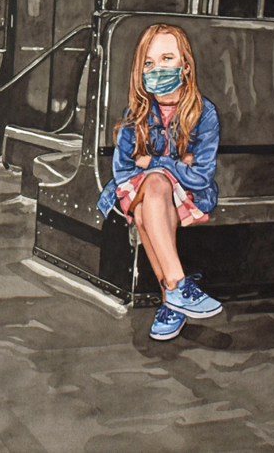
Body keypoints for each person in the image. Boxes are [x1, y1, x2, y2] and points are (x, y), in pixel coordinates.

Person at [97, 23, 222, 341]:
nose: (157, 69)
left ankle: (171, 300)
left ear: (186, 66)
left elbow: (201, 176)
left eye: (167, 59)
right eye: (149, 63)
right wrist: (176, 165)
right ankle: (179, 285)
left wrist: (157, 163)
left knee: (145, 208)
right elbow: (123, 171)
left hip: (189, 194)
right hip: (139, 189)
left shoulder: (204, 113)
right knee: (154, 185)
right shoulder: (134, 114)